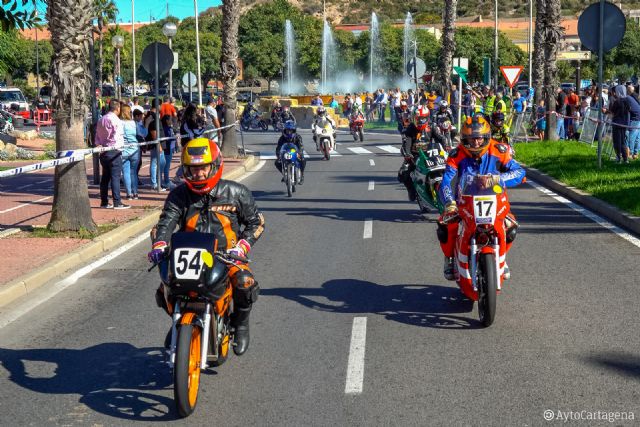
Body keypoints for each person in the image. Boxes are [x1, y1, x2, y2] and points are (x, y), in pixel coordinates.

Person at [148, 138, 265, 355]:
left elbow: (256, 222)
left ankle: (240, 325)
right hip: (190, 255)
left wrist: (241, 247)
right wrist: (160, 244)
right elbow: (165, 222)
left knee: (245, 283)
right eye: (193, 170)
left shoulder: (236, 192)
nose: (199, 174)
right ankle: (179, 322)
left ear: (215, 166)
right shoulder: (178, 195)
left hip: (226, 256)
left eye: (203, 168)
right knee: (165, 287)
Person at [436, 114, 525, 283]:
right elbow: (446, 181)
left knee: (511, 226)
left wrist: (497, 179)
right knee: (446, 225)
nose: (475, 143)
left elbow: (520, 172)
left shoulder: (500, 150)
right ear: (464, 139)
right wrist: (449, 202)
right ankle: (449, 259)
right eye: (471, 139)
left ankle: (502, 258)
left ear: (486, 137)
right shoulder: (456, 155)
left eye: (479, 138)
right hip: (465, 204)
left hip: (496, 201)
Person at [95, 99, 130, 209]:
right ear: (117, 108)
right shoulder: (116, 120)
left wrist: (99, 144)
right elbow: (117, 136)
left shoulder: (102, 119)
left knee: (105, 177)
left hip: (103, 151)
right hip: (114, 151)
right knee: (115, 176)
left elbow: (97, 135)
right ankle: (117, 202)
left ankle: (104, 201)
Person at [398, 105, 434, 201]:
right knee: (403, 173)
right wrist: (408, 154)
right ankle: (411, 189)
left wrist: (447, 146)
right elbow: (407, 143)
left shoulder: (432, 127)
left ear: (427, 118)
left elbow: (441, 138)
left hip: (431, 155)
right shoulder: (409, 129)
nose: (420, 121)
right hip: (415, 156)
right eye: (417, 119)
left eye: (422, 119)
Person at [120, 104, 141, 200]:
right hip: (135, 149)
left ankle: (129, 194)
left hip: (124, 149)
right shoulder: (134, 123)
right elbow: (141, 133)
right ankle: (135, 192)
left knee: (126, 172)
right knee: (133, 172)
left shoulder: (120, 123)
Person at [608, 85, 631, 163]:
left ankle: (618, 158)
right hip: (624, 124)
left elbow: (612, 112)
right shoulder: (627, 101)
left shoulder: (617, 101)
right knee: (623, 142)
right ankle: (625, 159)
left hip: (617, 123)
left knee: (617, 141)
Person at [161, 114, 177, 190]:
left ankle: (166, 181)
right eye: (170, 119)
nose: (171, 121)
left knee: (167, 165)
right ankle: (166, 181)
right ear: (167, 120)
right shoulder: (165, 128)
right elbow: (167, 138)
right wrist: (173, 138)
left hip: (171, 147)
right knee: (166, 166)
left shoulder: (169, 128)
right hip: (167, 149)